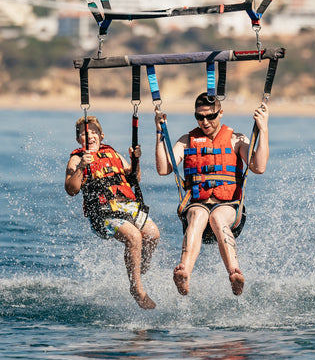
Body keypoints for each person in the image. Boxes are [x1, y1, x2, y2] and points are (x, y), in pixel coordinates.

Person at [155, 92, 269, 297]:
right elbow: (164, 169)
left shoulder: (237, 139)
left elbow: (258, 167)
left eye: (210, 116)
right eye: (199, 117)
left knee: (216, 217)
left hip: (228, 208)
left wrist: (263, 129)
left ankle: (234, 273)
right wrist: (159, 133)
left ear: (221, 113)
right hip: (197, 205)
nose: (205, 121)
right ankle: (184, 272)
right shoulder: (187, 140)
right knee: (199, 215)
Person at [65, 115, 160, 310]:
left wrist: (136, 160)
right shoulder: (76, 159)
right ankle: (136, 288)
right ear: (78, 140)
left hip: (127, 206)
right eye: (84, 133)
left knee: (152, 235)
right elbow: (71, 189)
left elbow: (135, 178)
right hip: (102, 213)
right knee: (134, 237)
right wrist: (82, 166)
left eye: (94, 132)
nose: (89, 136)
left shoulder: (113, 153)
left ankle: (139, 270)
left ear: (102, 135)